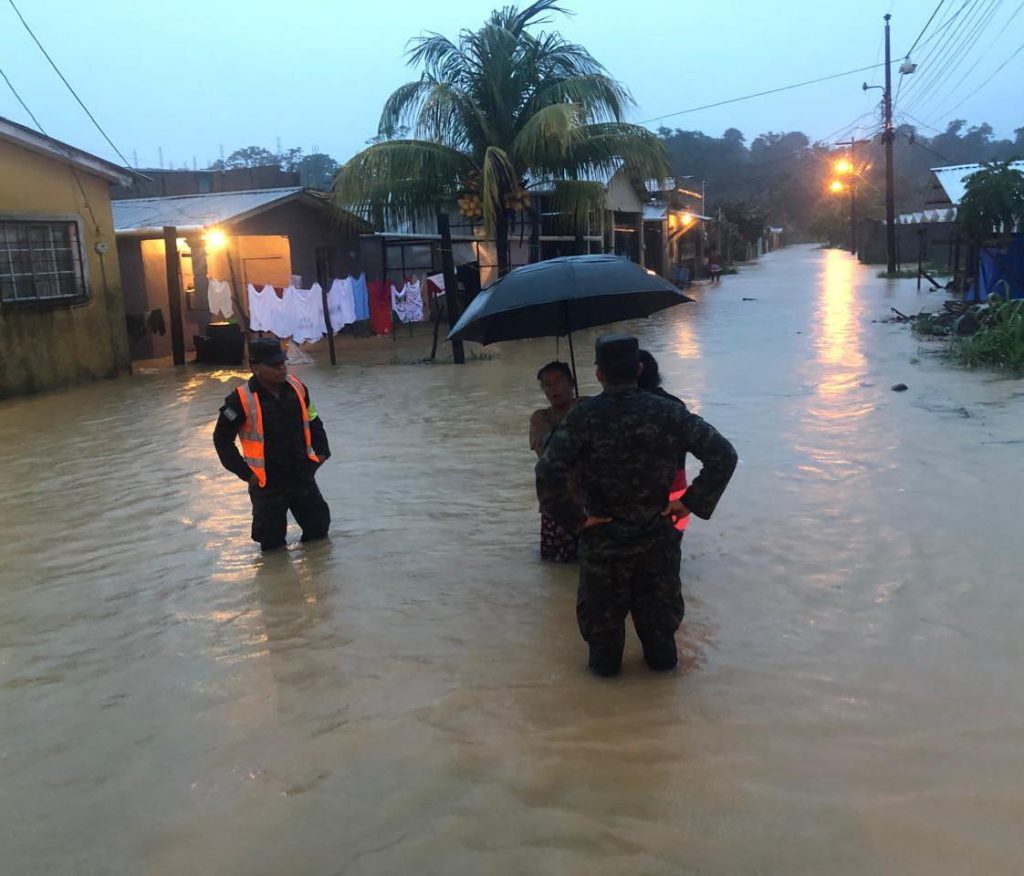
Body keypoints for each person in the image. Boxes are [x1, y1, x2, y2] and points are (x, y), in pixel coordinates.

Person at [535, 335, 737, 677]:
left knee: (604, 657)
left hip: (603, 543)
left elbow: (547, 472)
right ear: (639, 369)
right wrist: (688, 503)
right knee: (662, 652)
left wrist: (577, 522)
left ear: (598, 375)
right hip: (657, 540)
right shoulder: (669, 413)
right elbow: (723, 455)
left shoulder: (583, 417)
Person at [213, 339, 331, 552]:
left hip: (301, 474)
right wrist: (246, 474)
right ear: (255, 367)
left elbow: (313, 418)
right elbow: (221, 440)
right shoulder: (239, 400)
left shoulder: (297, 387)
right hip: (267, 483)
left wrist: (322, 452)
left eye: (283, 363)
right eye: (273, 365)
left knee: (319, 532)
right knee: (272, 546)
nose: (281, 369)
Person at [529, 361, 584, 562]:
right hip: (558, 507)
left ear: (572, 384)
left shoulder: (589, 406)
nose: (553, 388)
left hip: (593, 502)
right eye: (547, 384)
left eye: (559, 382)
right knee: (557, 567)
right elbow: (546, 448)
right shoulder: (540, 418)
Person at [637, 349, 689, 533]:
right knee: (672, 544)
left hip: (638, 491)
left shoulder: (620, 410)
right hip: (677, 488)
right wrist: (694, 501)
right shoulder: (676, 406)